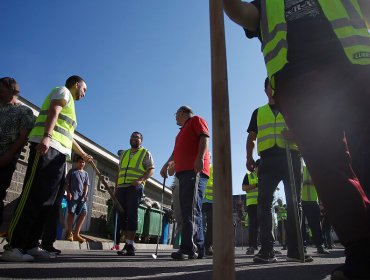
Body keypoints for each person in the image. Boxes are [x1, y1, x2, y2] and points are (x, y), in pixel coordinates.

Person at [223, 1, 370, 278]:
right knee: (330, 167)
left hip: (354, 63)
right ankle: (362, 252)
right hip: (299, 80)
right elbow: (245, 15)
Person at [2, 75, 92, 262]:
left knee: (47, 201)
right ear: (76, 85)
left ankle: (32, 244)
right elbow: (54, 110)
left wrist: (82, 154)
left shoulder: (71, 106)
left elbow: (69, 135)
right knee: (32, 196)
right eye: (84, 89)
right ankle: (14, 246)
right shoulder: (63, 91)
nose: (84, 94)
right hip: (47, 148)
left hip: (59, 153)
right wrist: (47, 137)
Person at [245, 77, 309, 263]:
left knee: (294, 203)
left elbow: (307, 133)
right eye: (272, 85)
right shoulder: (258, 112)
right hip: (267, 161)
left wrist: (295, 134)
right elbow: (251, 138)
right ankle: (267, 249)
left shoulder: (293, 109)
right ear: (265, 89)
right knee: (264, 203)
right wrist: (249, 157)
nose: (276, 88)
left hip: (292, 157)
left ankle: (296, 249)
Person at [160, 105, 210, 260]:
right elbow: (176, 152)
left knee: (191, 210)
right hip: (183, 173)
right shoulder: (181, 133)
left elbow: (204, 137)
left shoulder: (196, 120)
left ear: (182, 113)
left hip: (194, 171)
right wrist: (167, 163)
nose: (175, 118)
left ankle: (188, 248)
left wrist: (200, 158)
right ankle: (199, 247)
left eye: (176, 115)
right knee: (191, 210)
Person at [0, 77, 35, 229]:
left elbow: (23, 136)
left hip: (4, 159)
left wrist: (9, 155)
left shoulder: (23, 111)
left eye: (1, 90)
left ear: (12, 89)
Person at [116, 131, 155, 256]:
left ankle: (129, 244)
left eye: (137, 137)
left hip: (134, 187)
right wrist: (116, 186)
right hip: (121, 187)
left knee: (131, 214)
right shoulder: (124, 154)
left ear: (141, 141)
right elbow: (119, 170)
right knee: (122, 215)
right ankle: (128, 244)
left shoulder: (145, 153)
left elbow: (151, 169)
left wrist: (141, 180)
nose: (134, 139)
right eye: (132, 137)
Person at [301, 166, 329, 255]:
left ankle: (319, 246)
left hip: (313, 201)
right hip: (301, 201)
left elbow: (322, 182)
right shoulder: (301, 168)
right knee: (301, 226)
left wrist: (311, 182)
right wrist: (303, 182)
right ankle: (302, 247)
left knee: (316, 225)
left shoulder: (316, 168)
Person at [65, 155, 90, 243]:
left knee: (84, 213)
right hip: (73, 196)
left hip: (82, 198)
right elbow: (66, 183)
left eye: (83, 162)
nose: (82, 163)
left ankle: (77, 234)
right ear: (77, 162)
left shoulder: (86, 174)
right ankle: (69, 233)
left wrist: (85, 194)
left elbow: (86, 185)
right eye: (80, 162)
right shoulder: (72, 171)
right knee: (71, 213)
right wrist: (68, 192)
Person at [242, 159, 260, 255]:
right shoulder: (249, 175)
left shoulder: (265, 175)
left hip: (263, 203)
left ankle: (268, 246)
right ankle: (252, 246)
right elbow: (244, 188)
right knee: (253, 226)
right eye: (259, 167)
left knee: (266, 225)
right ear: (255, 167)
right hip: (252, 204)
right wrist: (256, 185)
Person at [202, 162, 214, 256]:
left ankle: (208, 246)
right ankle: (199, 245)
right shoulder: (198, 166)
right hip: (201, 200)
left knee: (211, 225)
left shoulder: (214, 169)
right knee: (199, 224)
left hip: (212, 201)